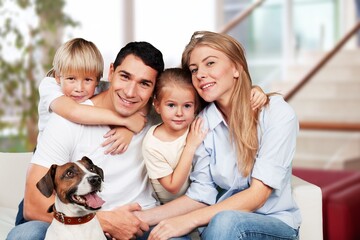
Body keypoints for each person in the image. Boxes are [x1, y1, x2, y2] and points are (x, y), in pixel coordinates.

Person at [135, 31, 301, 240]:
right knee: (154, 233)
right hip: (218, 227)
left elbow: (258, 195)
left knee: (226, 221)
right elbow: (201, 195)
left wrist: (189, 220)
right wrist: (139, 218)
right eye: (194, 70)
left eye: (210, 63)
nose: (200, 74)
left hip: (273, 224)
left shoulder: (276, 113)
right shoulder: (202, 122)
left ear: (236, 67)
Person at [7, 41, 165, 240]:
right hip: (75, 221)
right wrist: (104, 221)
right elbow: (34, 205)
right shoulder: (67, 116)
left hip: (139, 223)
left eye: (145, 83)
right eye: (125, 77)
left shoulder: (165, 115)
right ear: (111, 71)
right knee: (26, 235)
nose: (130, 92)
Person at [142, 68, 267, 205]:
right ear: (157, 105)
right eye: (171, 105)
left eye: (187, 106)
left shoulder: (198, 121)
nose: (179, 113)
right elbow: (173, 186)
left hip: (205, 196)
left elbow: (227, 98)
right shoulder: (153, 144)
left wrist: (256, 90)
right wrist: (190, 146)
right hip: (173, 205)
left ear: (195, 106)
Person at [38, 37, 146, 154]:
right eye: (71, 79)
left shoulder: (101, 88)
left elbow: (143, 99)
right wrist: (126, 121)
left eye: (88, 80)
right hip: (50, 153)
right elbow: (73, 111)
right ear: (58, 77)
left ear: (97, 80)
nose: (79, 88)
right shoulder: (50, 85)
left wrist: (128, 130)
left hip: (78, 151)